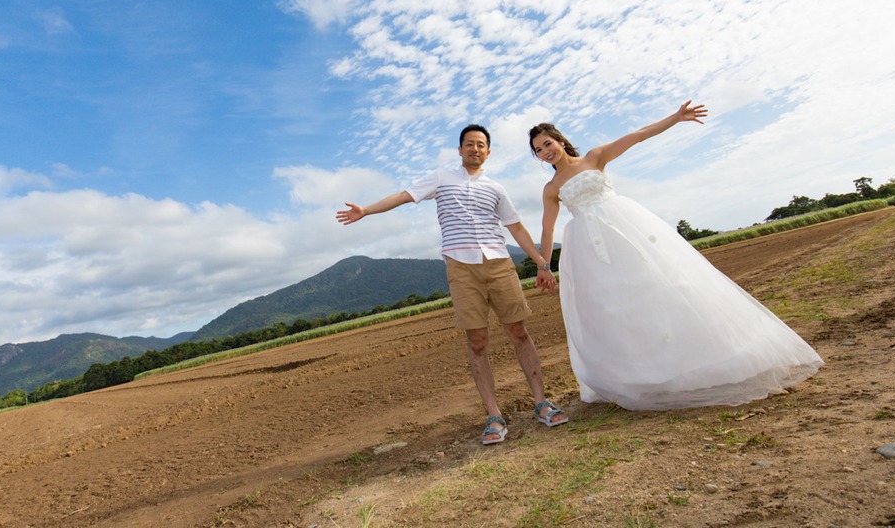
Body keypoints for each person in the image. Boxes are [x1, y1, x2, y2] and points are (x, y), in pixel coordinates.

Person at [528, 101, 824, 410]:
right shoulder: (551, 188)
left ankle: (723, 361)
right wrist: (543, 266)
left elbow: (639, 135)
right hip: (589, 248)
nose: (545, 151)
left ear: (560, 140)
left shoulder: (594, 157)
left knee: (667, 288)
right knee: (618, 309)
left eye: (547, 143)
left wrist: (676, 118)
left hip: (626, 229)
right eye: (538, 150)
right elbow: (547, 231)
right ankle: (648, 377)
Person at [336, 124, 569, 444]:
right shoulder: (442, 178)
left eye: (481, 145)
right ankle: (493, 416)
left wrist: (543, 264)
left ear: (488, 152)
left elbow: (516, 228)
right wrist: (366, 210)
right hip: (461, 269)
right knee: (477, 341)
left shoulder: (497, 188)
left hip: (500, 264)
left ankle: (542, 402)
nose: (475, 149)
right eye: (469, 144)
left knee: (518, 331)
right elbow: (404, 196)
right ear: (460, 150)